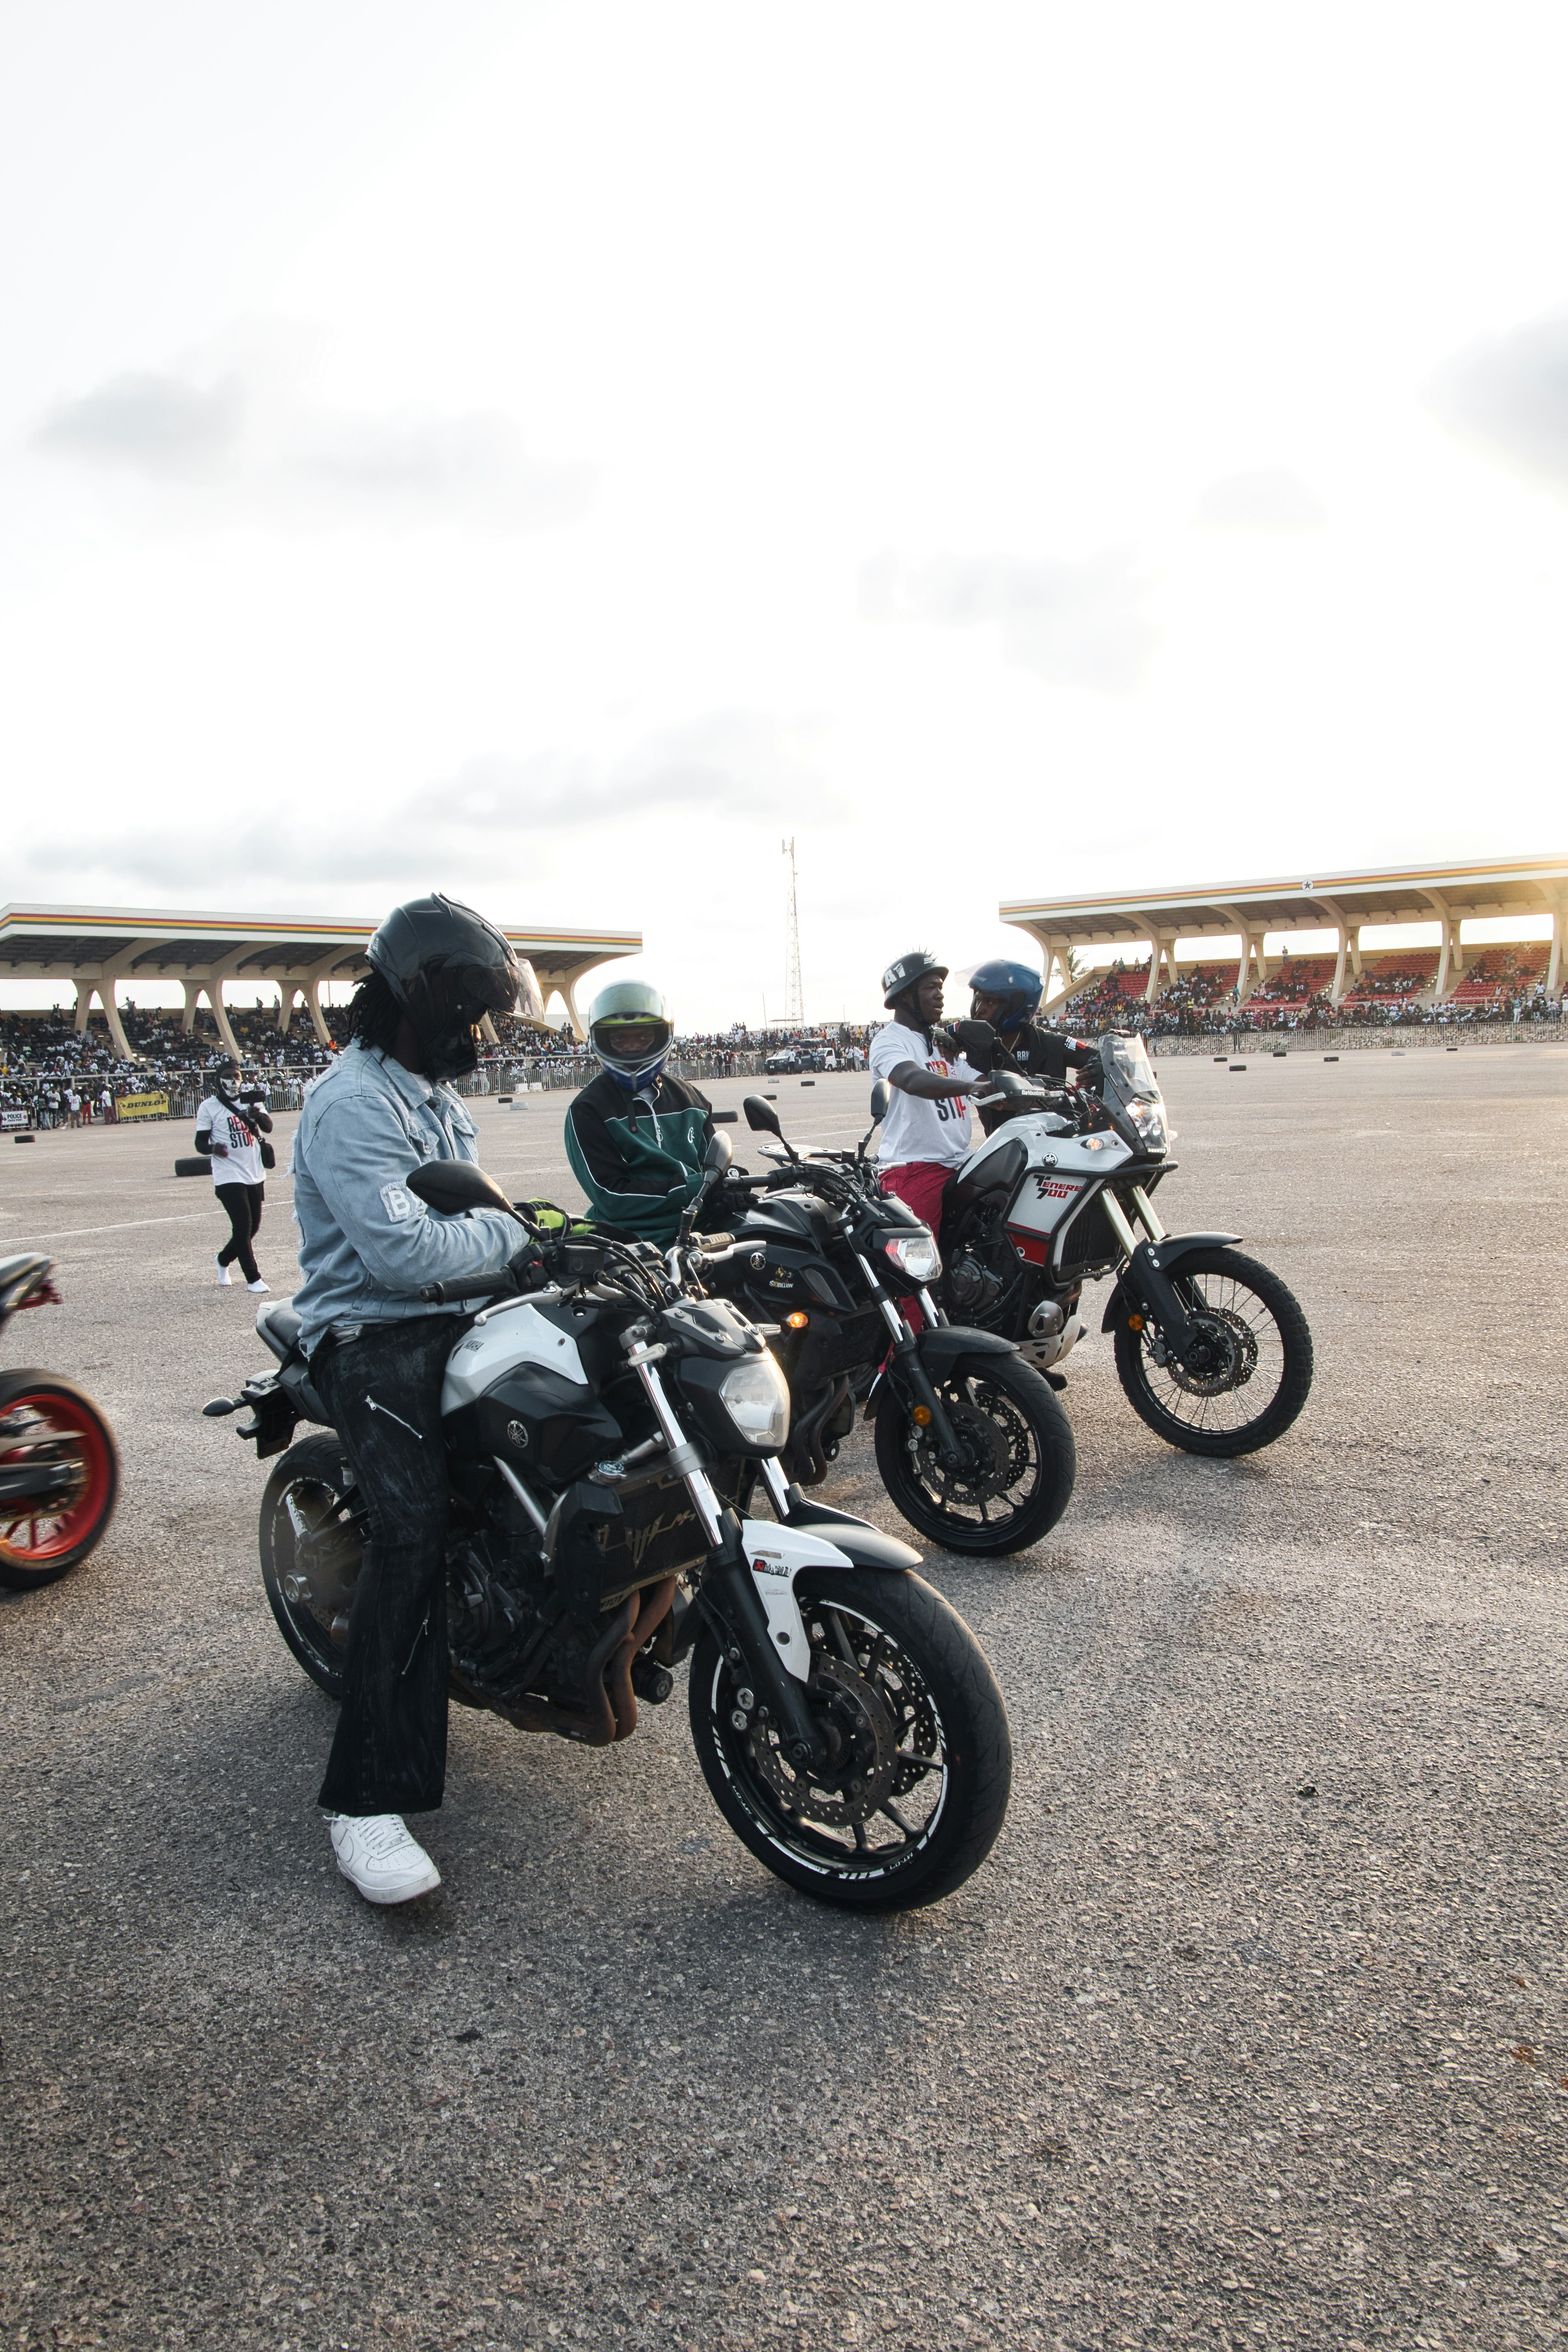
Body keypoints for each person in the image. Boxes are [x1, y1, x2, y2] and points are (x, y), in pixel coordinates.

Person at [563, 981, 715, 1245]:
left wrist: (730, 1182)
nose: (633, 1047)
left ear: (662, 1036)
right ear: (603, 1040)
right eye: (620, 1039)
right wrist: (697, 1188)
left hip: (701, 1229)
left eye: (643, 1038)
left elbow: (714, 1166)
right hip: (630, 1242)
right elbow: (612, 1197)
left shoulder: (691, 1098)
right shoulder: (589, 1109)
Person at [869, 949, 986, 1256]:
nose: (940, 995)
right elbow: (912, 1080)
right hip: (915, 1167)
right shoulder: (889, 1041)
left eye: (940, 988)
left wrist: (1021, 1087)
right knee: (917, 1269)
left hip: (960, 1162)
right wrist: (972, 1087)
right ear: (906, 996)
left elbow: (981, 1080)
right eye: (930, 988)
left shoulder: (941, 1045)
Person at [196, 1060, 274, 1294]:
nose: (233, 1081)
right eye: (228, 1076)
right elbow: (200, 1143)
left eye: (237, 1076)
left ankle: (223, 1259)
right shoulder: (209, 1107)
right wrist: (213, 1149)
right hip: (228, 1173)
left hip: (254, 1171)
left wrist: (258, 1116)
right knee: (242, 1224)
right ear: (219, 1080)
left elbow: (268, 1128)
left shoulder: (252, 1101)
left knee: (253, 1228)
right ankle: (253, 1279)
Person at [965, 959, 1101, 1089]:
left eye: (990, 1002)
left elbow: (1105, 1060)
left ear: (1017, 1005)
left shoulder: (1051, 1045)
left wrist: (1100, 1071)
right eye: (978, 1000)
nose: (979, 1010)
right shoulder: (968, 1041)